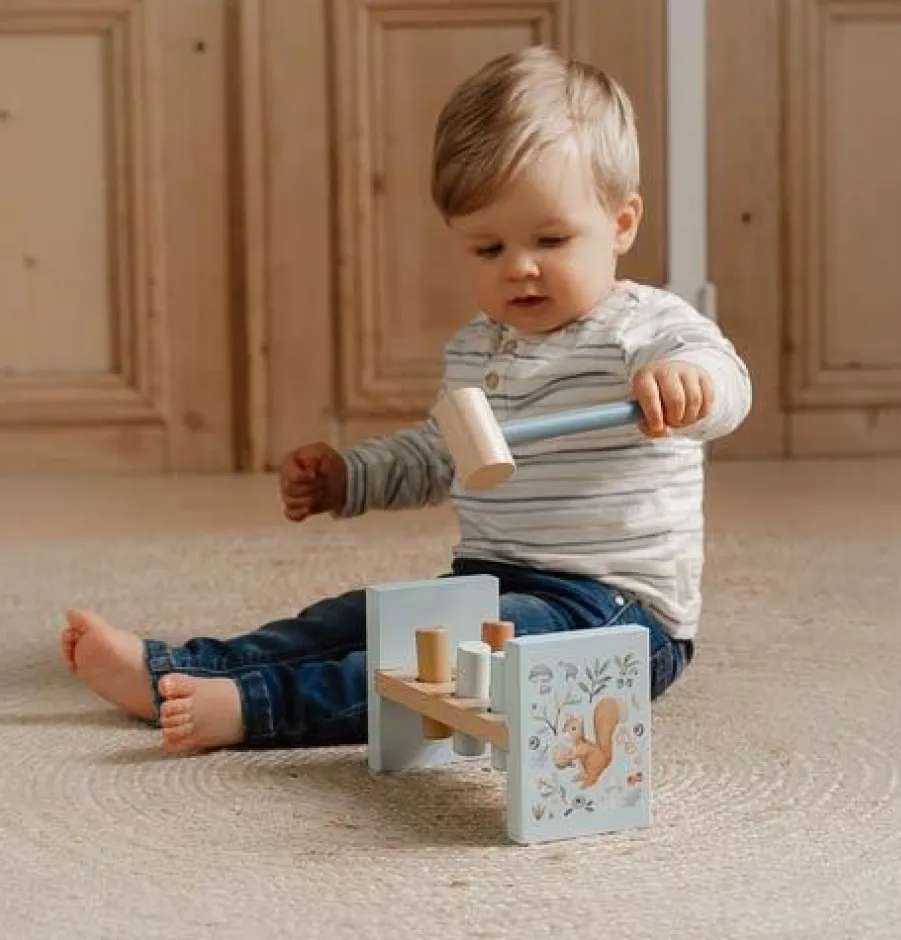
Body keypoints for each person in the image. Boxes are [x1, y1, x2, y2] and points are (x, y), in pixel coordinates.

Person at [61, 45, 751, 755]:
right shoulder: (478, 349)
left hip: (618, 613)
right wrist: (348, 477)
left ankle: (253, 709)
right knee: (353, 619)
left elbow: (727, 380)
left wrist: (690, 383)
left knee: (438, 666)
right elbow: (437, 453)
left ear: (622, 224)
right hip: (491, 582)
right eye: (488, 249)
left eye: (551, 239)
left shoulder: (645, 330)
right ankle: (175, 672)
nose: (520, 267)